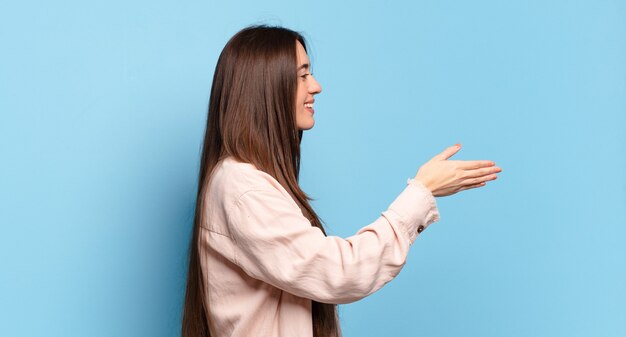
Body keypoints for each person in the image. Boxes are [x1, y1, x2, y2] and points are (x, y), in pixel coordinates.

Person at [181, 25, 502, 337]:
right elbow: (339, 272)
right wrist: (422, 192)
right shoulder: (242, 188)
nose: (316, 86)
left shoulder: (245, 181)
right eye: (303, 74)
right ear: (266, 86)